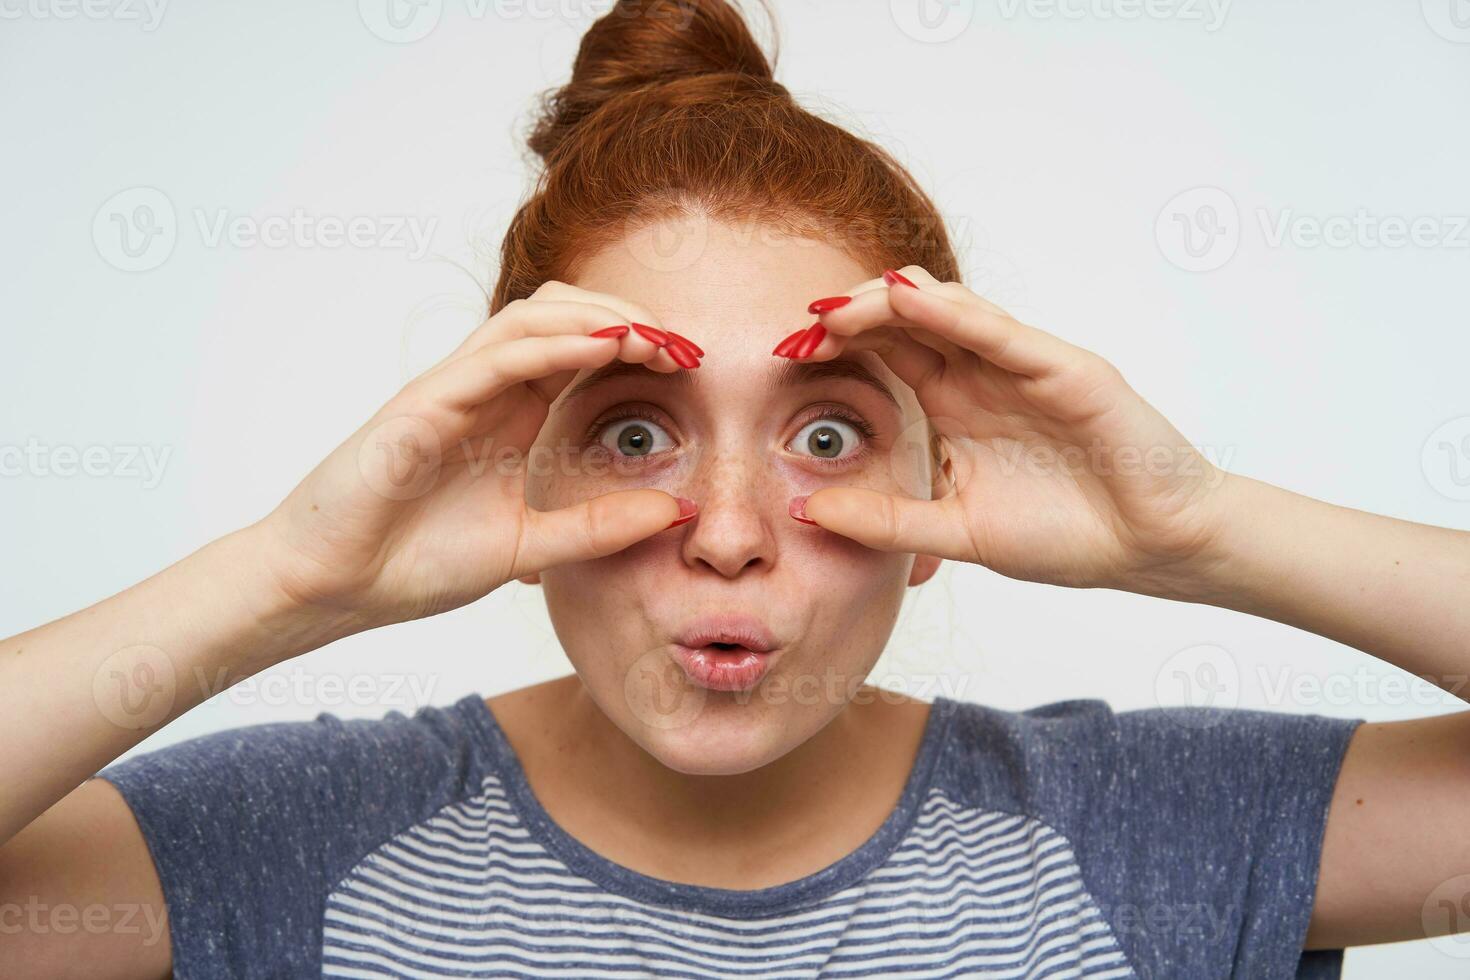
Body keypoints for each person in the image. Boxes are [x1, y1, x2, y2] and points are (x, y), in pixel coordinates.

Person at [4, 1, 1468, 977]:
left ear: (942, 491)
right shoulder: (293, 837)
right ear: (514, 467)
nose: (723, 534)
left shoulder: (1146, 830)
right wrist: (285, 576)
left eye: (825, 436)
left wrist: (1196, 528)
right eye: (634, 433)